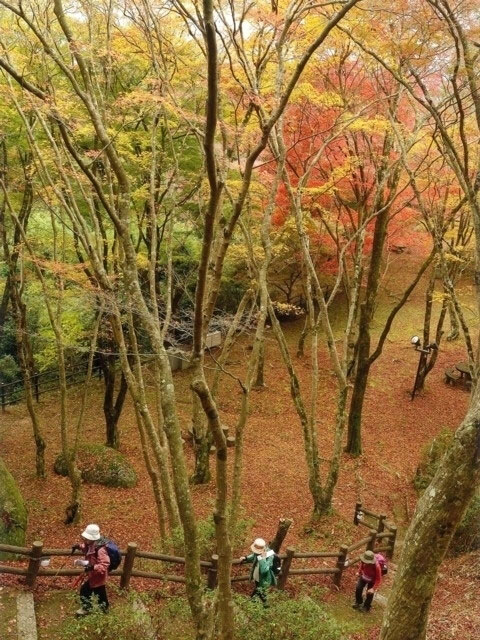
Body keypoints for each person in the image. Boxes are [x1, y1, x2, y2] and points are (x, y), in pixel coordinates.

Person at [72, 524, 110, 616]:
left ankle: (87, 609)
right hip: (93, 575)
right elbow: (87, 548)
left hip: (98, 576)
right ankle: (104, 609)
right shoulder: (91, 544)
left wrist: (93, 567)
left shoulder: (101, 550)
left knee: (86, 590)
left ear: (93, 538)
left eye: (87, 538)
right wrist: (79, 546)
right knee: (100, 593)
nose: (85, 540)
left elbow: (104, 565)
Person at [240, 537, 276, 606]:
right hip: (257, 575)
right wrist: (246, 558)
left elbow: (264, 570)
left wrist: (262, 558)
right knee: (258, 590)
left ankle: (264, 605)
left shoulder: (269, 555)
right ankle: (255, 602)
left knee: (260, 591)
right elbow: (254, 556)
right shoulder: (258, 553)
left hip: (264, 578)